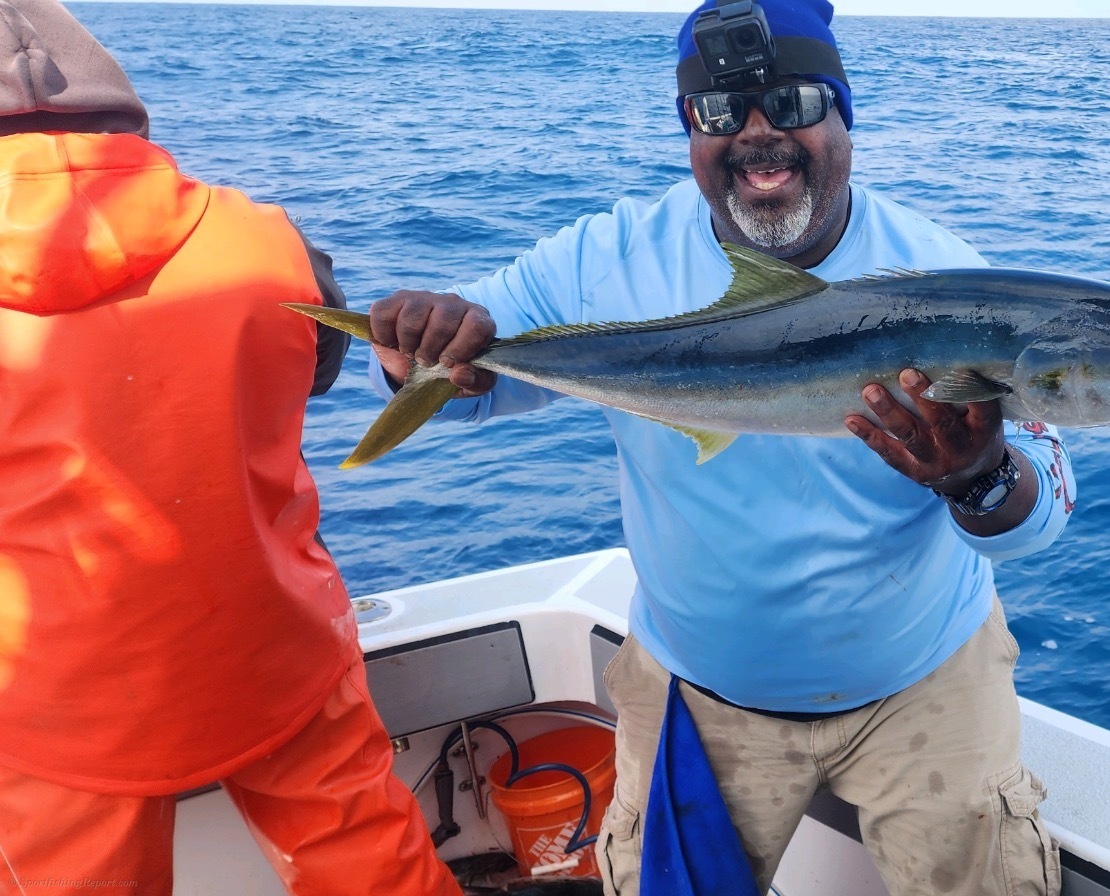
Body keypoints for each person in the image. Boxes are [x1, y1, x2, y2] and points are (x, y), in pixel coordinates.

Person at [365, 1, 1073, 892]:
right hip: (698, 691)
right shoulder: (604, 258)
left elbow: (1044, 504)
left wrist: (979, 477)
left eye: (794, 103)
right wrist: (412, 359)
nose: (758, 135)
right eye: (718, 112)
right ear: (689, 131)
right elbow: (468, 387)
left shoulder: (944, 280)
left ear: (844, 114)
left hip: (924, 682)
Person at [0, 2, 460, 894]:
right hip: (276, 649)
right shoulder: (271, 241)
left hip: (55, 703)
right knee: (379, 869)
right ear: (120, 110)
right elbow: (316, 370)